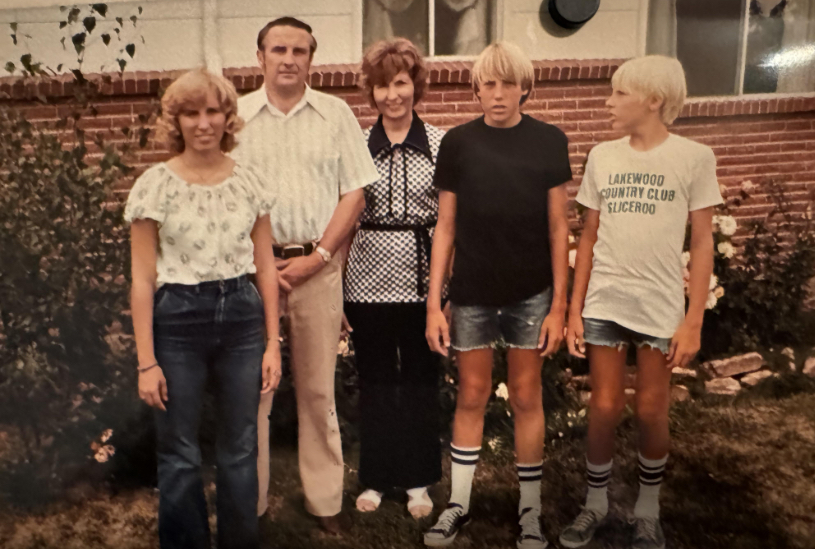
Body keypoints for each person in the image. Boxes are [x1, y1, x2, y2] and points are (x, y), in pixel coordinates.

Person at [558, 55, 722, 549]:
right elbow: (587, 237)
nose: (608, 102)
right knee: (604, 407)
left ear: (653, 100)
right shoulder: (604, 157)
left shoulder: (694, 157)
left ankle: (647, 511)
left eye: (619, 95)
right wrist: (574, 311)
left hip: (659, 307)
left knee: (652, 409)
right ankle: (596, 503)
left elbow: (703, 241)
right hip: (606, 303)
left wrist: (692, 320)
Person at [232, 16, 379, 534]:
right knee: (254, 391)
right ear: (260, 57)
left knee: (319, 392)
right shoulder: (236, 118)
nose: (289, 58)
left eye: (299, 50)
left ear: (312, 59)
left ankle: (325, 504)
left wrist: (319, 256)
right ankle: (250, 507)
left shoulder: (335, 115)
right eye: (279, 49)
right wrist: (258, 264)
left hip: (318, 269)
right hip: (254, 273)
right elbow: (223, 194)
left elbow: (355, 191)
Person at [423, 41, 572, 548]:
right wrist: (432, 304)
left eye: (509, 83)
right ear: (476, 89)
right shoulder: (459, 144)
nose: (499, 93)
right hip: (472, 294)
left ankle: (529, 513)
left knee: (527, 395)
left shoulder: (550, 141)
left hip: (532, 293)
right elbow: (445, 227)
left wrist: (559, 305)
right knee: (471, 395)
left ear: (525, 88)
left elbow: (559, 228)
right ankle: (458, 504)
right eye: (489, 83)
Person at [126, 68, 281, 549]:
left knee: (239, 449)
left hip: (241, 320)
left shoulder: (249, 182)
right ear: (176, 121)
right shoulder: (154, 186)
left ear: (228, 117)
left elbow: (266, 267)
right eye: (191, 113)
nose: (203, 122)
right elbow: (142, 279)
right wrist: (146, 362)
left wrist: (273, 343)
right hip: (177, 323)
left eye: (213, 111)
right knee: (179, 452)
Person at [343, 38, 445, 519]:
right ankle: (378, 477)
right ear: (372, 91)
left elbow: (452, 222)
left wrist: (446, 292)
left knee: (423, 378)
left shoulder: (443, 145)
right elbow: (343, 218)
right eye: (382, 85)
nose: (392, 94)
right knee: (378, 380)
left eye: (400, 82)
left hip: (426, 281)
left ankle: (419, 479)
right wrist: (340, 288)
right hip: (367, 281)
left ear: (415, 85)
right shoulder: (359, 146)